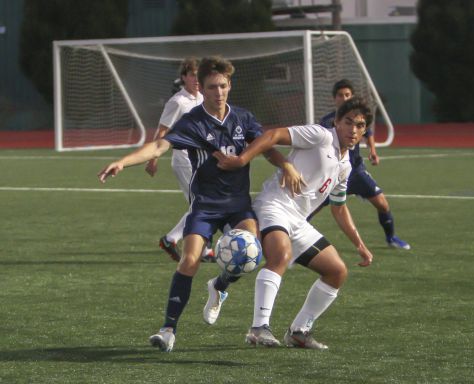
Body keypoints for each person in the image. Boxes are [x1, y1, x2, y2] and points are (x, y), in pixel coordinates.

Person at [98, 56, 301, 353]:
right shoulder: (193, 122)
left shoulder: (243, 118)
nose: (218, 92)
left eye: (222, 86)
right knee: (189, 260)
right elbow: (159, 145)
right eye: (211, 87)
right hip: (204, 205)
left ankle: (219, 286)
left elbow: (266, 147)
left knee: (251, 255)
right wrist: (123, 162)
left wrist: (286, 165)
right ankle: (168, 330)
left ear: (229, 85)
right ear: (202, 89)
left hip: (237, 205)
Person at [214, 97, 374, 349]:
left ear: (364, 131)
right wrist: (243, 159)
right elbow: (273, 135)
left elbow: (339, 208)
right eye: (348, 122)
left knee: (337, 271)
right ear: (337, 122)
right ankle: (258, 328)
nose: (353, 130)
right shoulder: (320, 135)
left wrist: (360, 245)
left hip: (298, 221)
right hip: (274, 205)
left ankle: (299, 331)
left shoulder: (345, 165)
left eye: (360, 125)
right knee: (280, 257)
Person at [317, 79, 410, 250]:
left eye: (347, 95)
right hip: (333, 174)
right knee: (309, 209)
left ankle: (391, 238)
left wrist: (372, 150)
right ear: (334, 98)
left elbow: (368, 133)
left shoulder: (358, 117)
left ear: (352, 96)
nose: (344, 98)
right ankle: (292, 243)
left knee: (382, 204)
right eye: (340, 95)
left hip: (356, 172)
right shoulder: (327, 121)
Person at [144, 57, 214, 262]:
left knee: (203, 204)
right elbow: (163, 131)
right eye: (191, 75)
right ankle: (176, 240)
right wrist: (153, 158)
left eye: (198, 74)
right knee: (202, 204)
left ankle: (195, 246)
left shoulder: (202, 98)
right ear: (184, 77)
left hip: (202, 158)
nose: (195, 79)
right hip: (184, 159)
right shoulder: (177, 102)